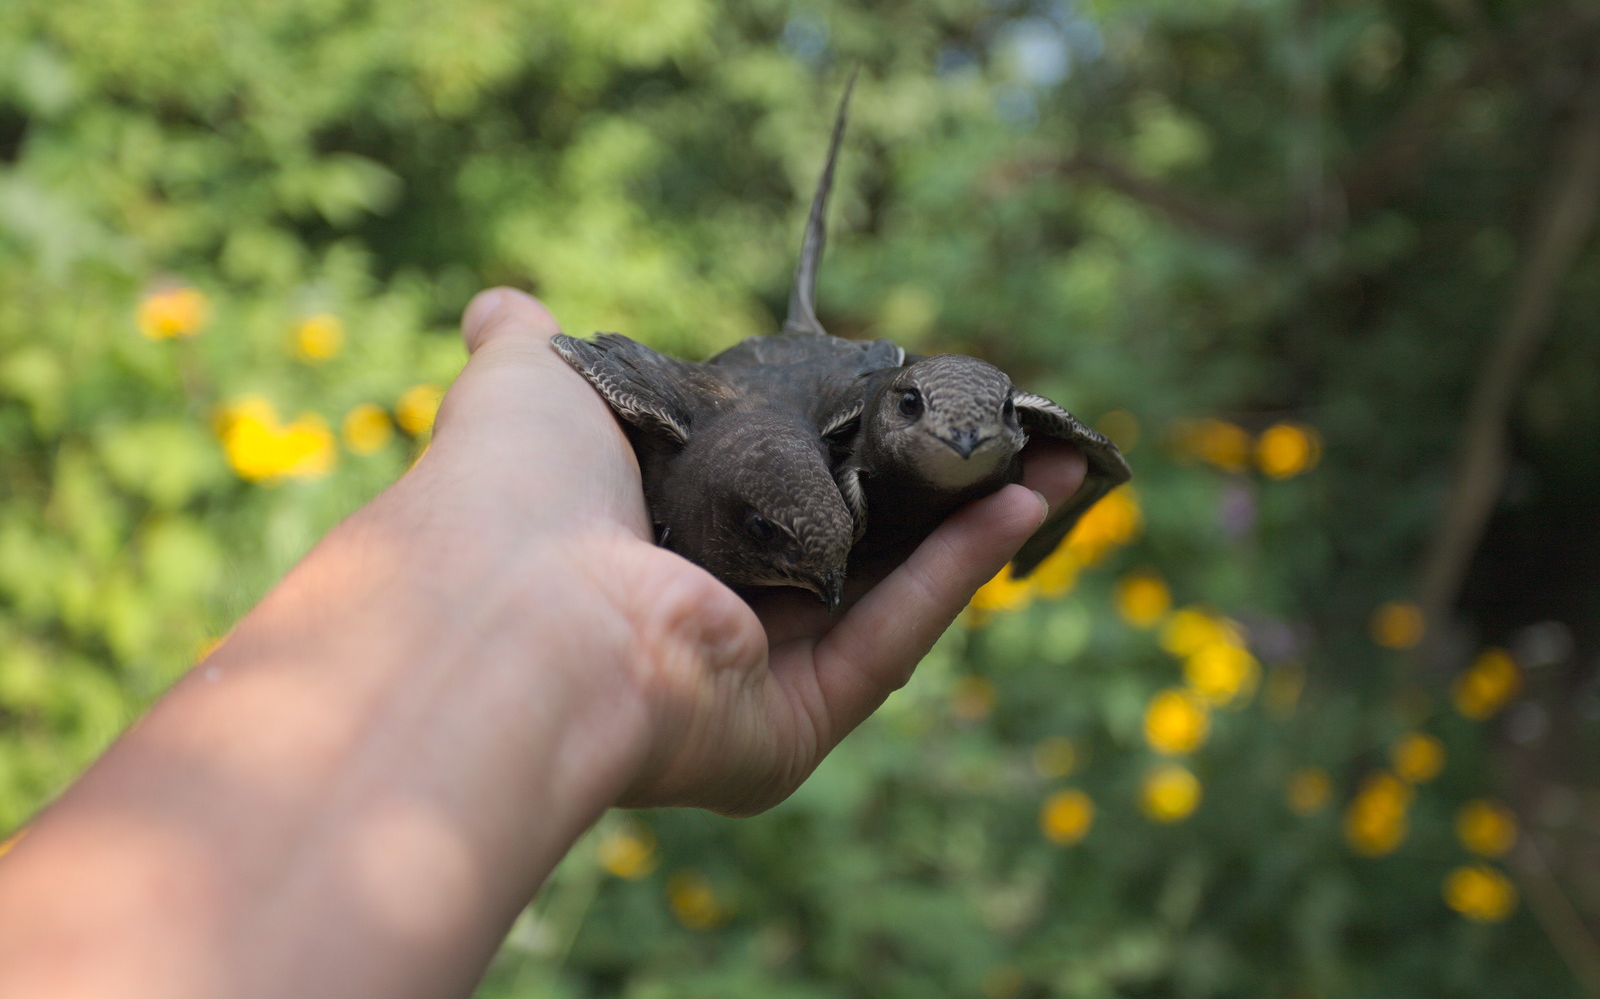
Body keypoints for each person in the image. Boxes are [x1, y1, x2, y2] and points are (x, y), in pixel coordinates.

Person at [0, 289, 1086, 999]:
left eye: (831, 555)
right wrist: (531, 583)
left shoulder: (864, 450)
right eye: (791, 547)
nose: (828, 584)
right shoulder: (679, 427)